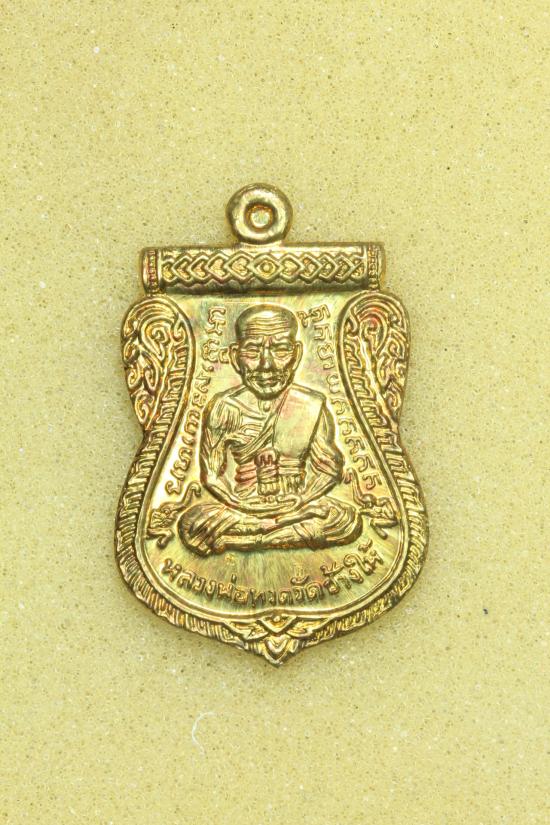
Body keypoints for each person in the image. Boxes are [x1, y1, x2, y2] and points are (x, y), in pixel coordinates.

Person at [179, 304, 361, 555]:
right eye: (253, 350)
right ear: (235, 356)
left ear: (297, 354)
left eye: (281, 349)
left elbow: (328, 469)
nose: (267, 364)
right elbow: (212, 474)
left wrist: (303, 499)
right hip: (242, 506)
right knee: (192, 523)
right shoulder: (224, 407)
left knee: (345, 520)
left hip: (296, 506)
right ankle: (273, 534)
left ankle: (247, 540)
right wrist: (240, 503)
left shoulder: (310, 404)